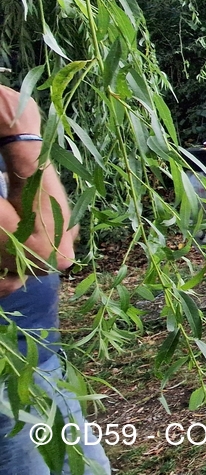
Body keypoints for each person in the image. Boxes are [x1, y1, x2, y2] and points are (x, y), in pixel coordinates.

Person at [0, 86, 111, 474]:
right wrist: (23, 136)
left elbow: (63, 228)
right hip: (10, 380)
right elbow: (52, 248)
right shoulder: (12, 140)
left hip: (37, 361)